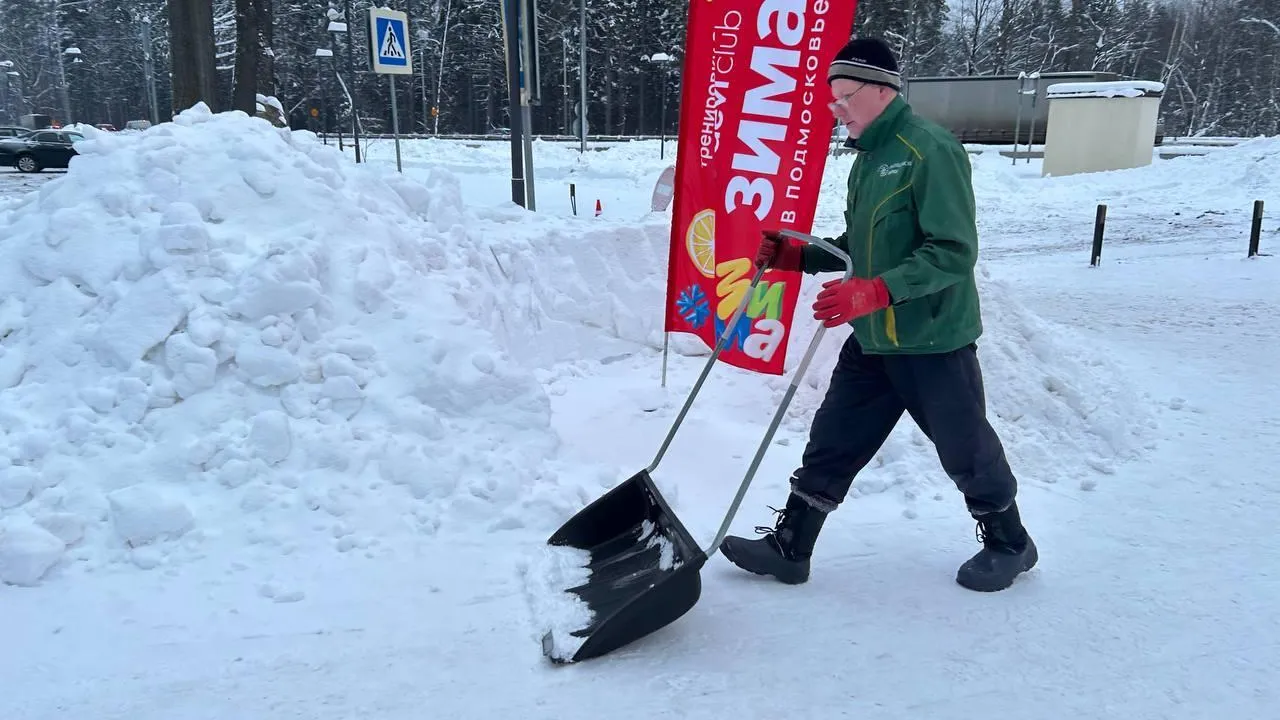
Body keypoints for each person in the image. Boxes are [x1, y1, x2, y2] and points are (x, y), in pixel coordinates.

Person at [719, 36, 1038, 593]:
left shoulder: (929, 151)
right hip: (873, 339)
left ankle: (1011, 542)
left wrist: (875, 293)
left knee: (964, 445)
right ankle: (791, 546)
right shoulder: (867, 160)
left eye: (843, 96)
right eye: (831, 99)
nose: (834, 108)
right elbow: (861, 249)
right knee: (834, 436)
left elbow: (953, 252)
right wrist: (803, 254)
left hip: (931, 337)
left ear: (882, 90)